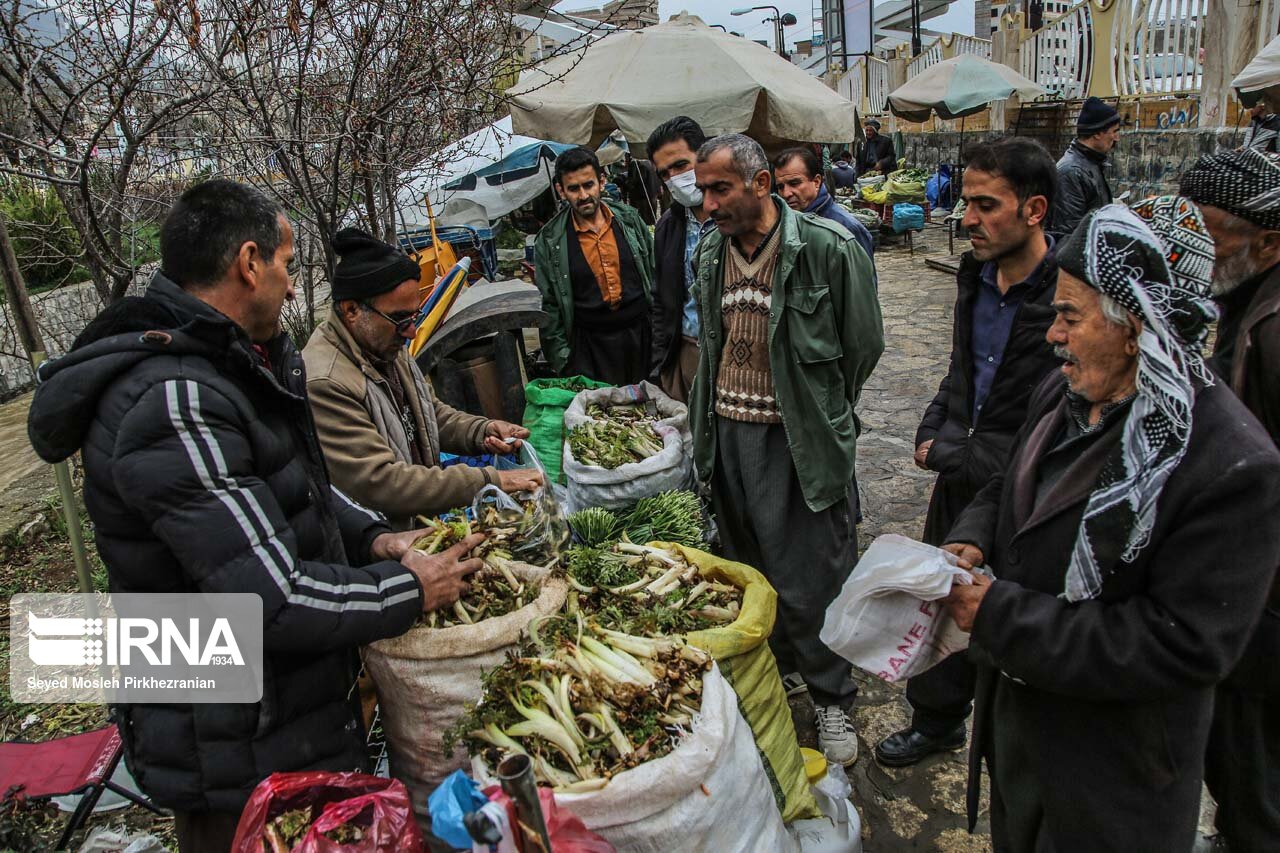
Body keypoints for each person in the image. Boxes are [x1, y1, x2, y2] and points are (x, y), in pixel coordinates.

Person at [25, 180, 485, 852]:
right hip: (230, 738)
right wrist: (416, 587)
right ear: (248, 262)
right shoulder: (174, 397)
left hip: (272, 711)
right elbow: (274, 595)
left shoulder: (231, 361)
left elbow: (296, 489)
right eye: (288, 264)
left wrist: (378, 539)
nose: (295, 287)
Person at [938, 200, 1280, 852]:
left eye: (1070, 315)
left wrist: (999, 614)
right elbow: (1006, 481)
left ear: (1138, 327)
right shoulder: (1067, 388)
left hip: (1112, 774)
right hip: (1023, 736)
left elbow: (1181, 643)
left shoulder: (1230, 463)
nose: (1052, 335)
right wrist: (976, 532)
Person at [689, 133, 883, 765]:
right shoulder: (709, 256)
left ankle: (832, 702)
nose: (709, 202)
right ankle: (780, 676)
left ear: (762, 185)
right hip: (729, 435)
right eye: (704, 189)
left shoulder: (827, 250)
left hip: (796, 441)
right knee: (753, 572)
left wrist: (817, 410)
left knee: (813, 578)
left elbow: (862, 347)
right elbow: (712, 348)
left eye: (721, 189)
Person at [875, 138, 1063, 768]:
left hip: (1028, 490)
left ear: (1034, 210)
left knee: (1010, 617)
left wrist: (985, 462)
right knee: (941, 605)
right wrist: (935, 427)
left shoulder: (1065, 296)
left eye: (986, 205)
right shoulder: (974, 276)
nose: (966, 219)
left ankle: (1014, 745)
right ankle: (937, 722)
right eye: (965, 202)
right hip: (961, 476)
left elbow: (1059, 411)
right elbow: (963, 369)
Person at [303, 228, 542, 530]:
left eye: (413, 318)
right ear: (351, 310)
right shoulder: (326, 382)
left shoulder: (384, 344)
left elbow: (427, 415)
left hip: (420, 525)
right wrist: (492, 480)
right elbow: (384, 484)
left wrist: (481, 431)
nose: (412, 332)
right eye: (401, 319)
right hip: (384, 546)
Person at [1178, 149, 1280, 852]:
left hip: (1264, 593)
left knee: (1253, 754)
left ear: (1267, 241)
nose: (1197, 253)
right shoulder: (1242, 307)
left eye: (1209, 236)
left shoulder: (1271, 332)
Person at [533, 146, 655, 385]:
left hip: (642, 338)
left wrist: (662, 337)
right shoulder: (550, 241)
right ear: (561, 191)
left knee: (651, 413)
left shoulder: (629, 220)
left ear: (601, 181)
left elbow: (655, 275)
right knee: (602, 418)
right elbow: (549, 307)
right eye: (573, 189)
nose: (583, 195)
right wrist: (565, 361)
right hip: (589, 349)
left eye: (588, 185)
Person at [647, 116, 715, 402]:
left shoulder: (735, 220)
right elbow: (662, 300)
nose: (675, 178)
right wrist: (662, 364)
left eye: (681, 165)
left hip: (733, 359)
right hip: (685, 353)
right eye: (665, 173)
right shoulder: (668, 227)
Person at [773, 146, 877, 274]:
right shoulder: (784, 224)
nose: (786, 193)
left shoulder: (847, 228)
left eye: (794, 183)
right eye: (780, 187)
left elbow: (863, 288)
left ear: (816, 182)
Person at [1048, 96, 1121, 238]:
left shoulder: (1091, 164)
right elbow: (1068, 233)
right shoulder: (1071, 171)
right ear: (1098, 134)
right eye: (1114, 131)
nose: (1116, 138)